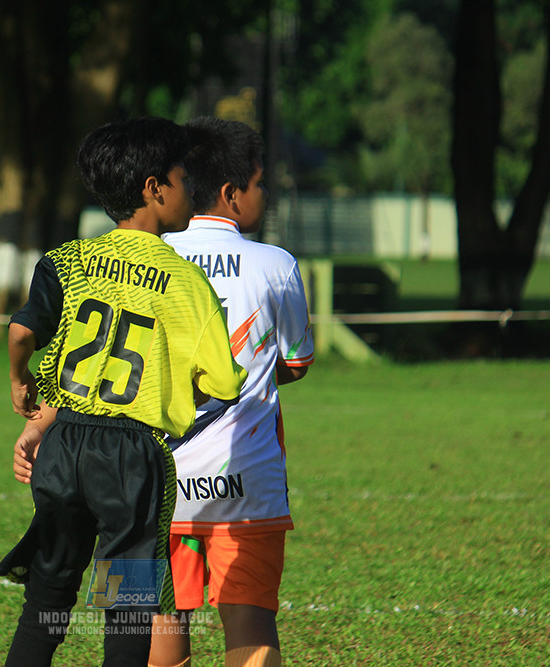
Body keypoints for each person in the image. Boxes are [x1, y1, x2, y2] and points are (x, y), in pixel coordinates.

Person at [0, 117, 247, 667]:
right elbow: (224, 382)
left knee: (49, 591)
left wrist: (23, 387)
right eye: (182, 178)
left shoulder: (68, 261)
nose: (190, 190)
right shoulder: (184, 281)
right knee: (127, 605)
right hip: (131, 456)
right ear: (155, 189)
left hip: (64, 446)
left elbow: (22, 334)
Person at [152, 117, 315, 667]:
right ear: (231, 193)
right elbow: (294, 363)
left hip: (144, 481)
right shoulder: (276, 264)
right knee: (251, 623)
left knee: (150, 625)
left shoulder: (145, 261)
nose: (263, 194)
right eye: (260, 183)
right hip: (247, 480)